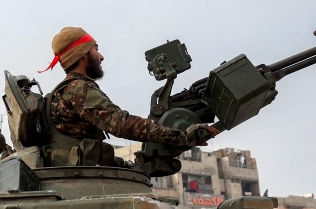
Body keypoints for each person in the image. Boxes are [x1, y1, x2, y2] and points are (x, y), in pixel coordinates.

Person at [41, 27, 220, 166]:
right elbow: (122, 124)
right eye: (96, 49)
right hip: (80, 177)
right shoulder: (78, 90)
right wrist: (182, 136)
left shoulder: (66, 90)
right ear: (81, 54)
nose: (101, 57)